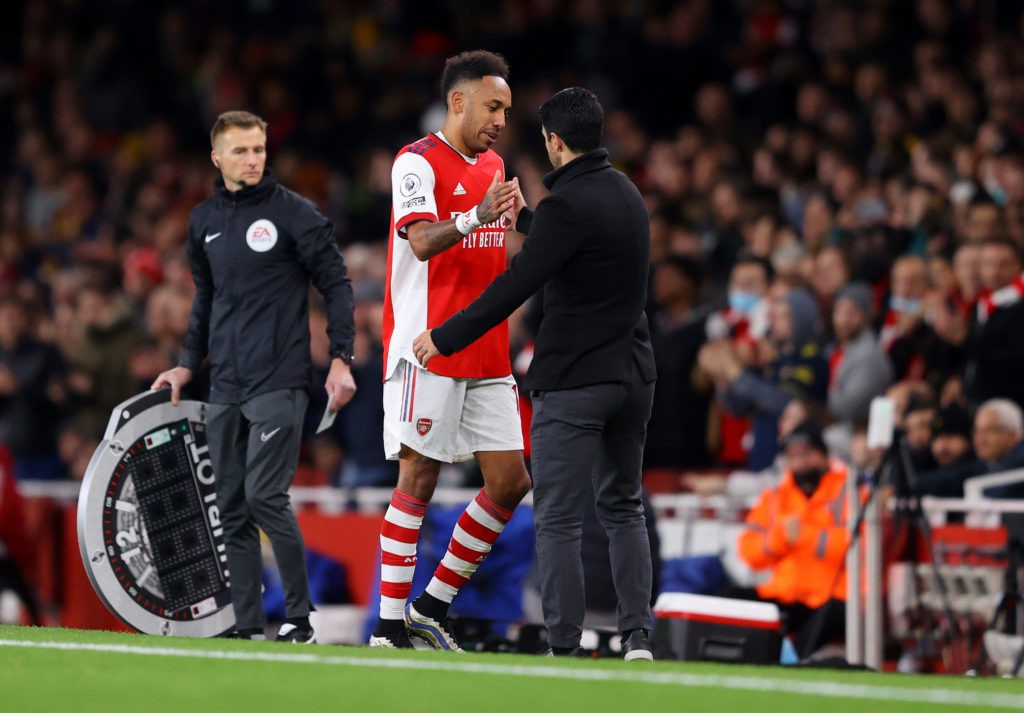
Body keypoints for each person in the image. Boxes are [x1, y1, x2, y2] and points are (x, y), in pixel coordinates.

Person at [413, 87, 658, 660]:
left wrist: (444, 338)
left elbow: (514, 287)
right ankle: (638, 639)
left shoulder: (567, 208)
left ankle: (565, 647)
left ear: (554, 140)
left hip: (576, 384)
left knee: (558, 519)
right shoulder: (626, 192)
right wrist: (523, 215)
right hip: (635, 378)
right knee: (623, 507)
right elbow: (574, 248)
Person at [151, 110, 357, 643]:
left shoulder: (296, 214)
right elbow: (206, 302)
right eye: (241, 151)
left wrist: (340, 356)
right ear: (217, 157)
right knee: (231, 506)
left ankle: (299, 619)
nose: (252, 159)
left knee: (265, 497)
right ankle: (246, 626)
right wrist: (185, 362)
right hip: (225, 386)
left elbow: (336, 283)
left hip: (279, 380)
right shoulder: (203, 222)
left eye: (259, 149)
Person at [370, 50, 531, 652]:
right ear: (458, 100)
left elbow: (495, 246)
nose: (500, 121)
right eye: (493, 106)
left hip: (488, 348)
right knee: (419, 474)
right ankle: (388, 627)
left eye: (507, 110)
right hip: (428, 343)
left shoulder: (495, 164)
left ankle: (429, 606)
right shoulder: (415, 162)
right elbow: (418, 242)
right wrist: (475, 216)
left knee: (511, 481)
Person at [735, 421, 857, 659]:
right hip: (787, 594)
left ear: (823, 455)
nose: (800, 463)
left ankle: (792, 666)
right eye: (793, 456)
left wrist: (804, 537)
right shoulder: (776, 495)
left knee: (830, 615)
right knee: (731, 597)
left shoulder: (849, 489)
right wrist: (780, 538)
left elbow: (857, 546)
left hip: (833, 597)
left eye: (807, 454)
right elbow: (748, 551)